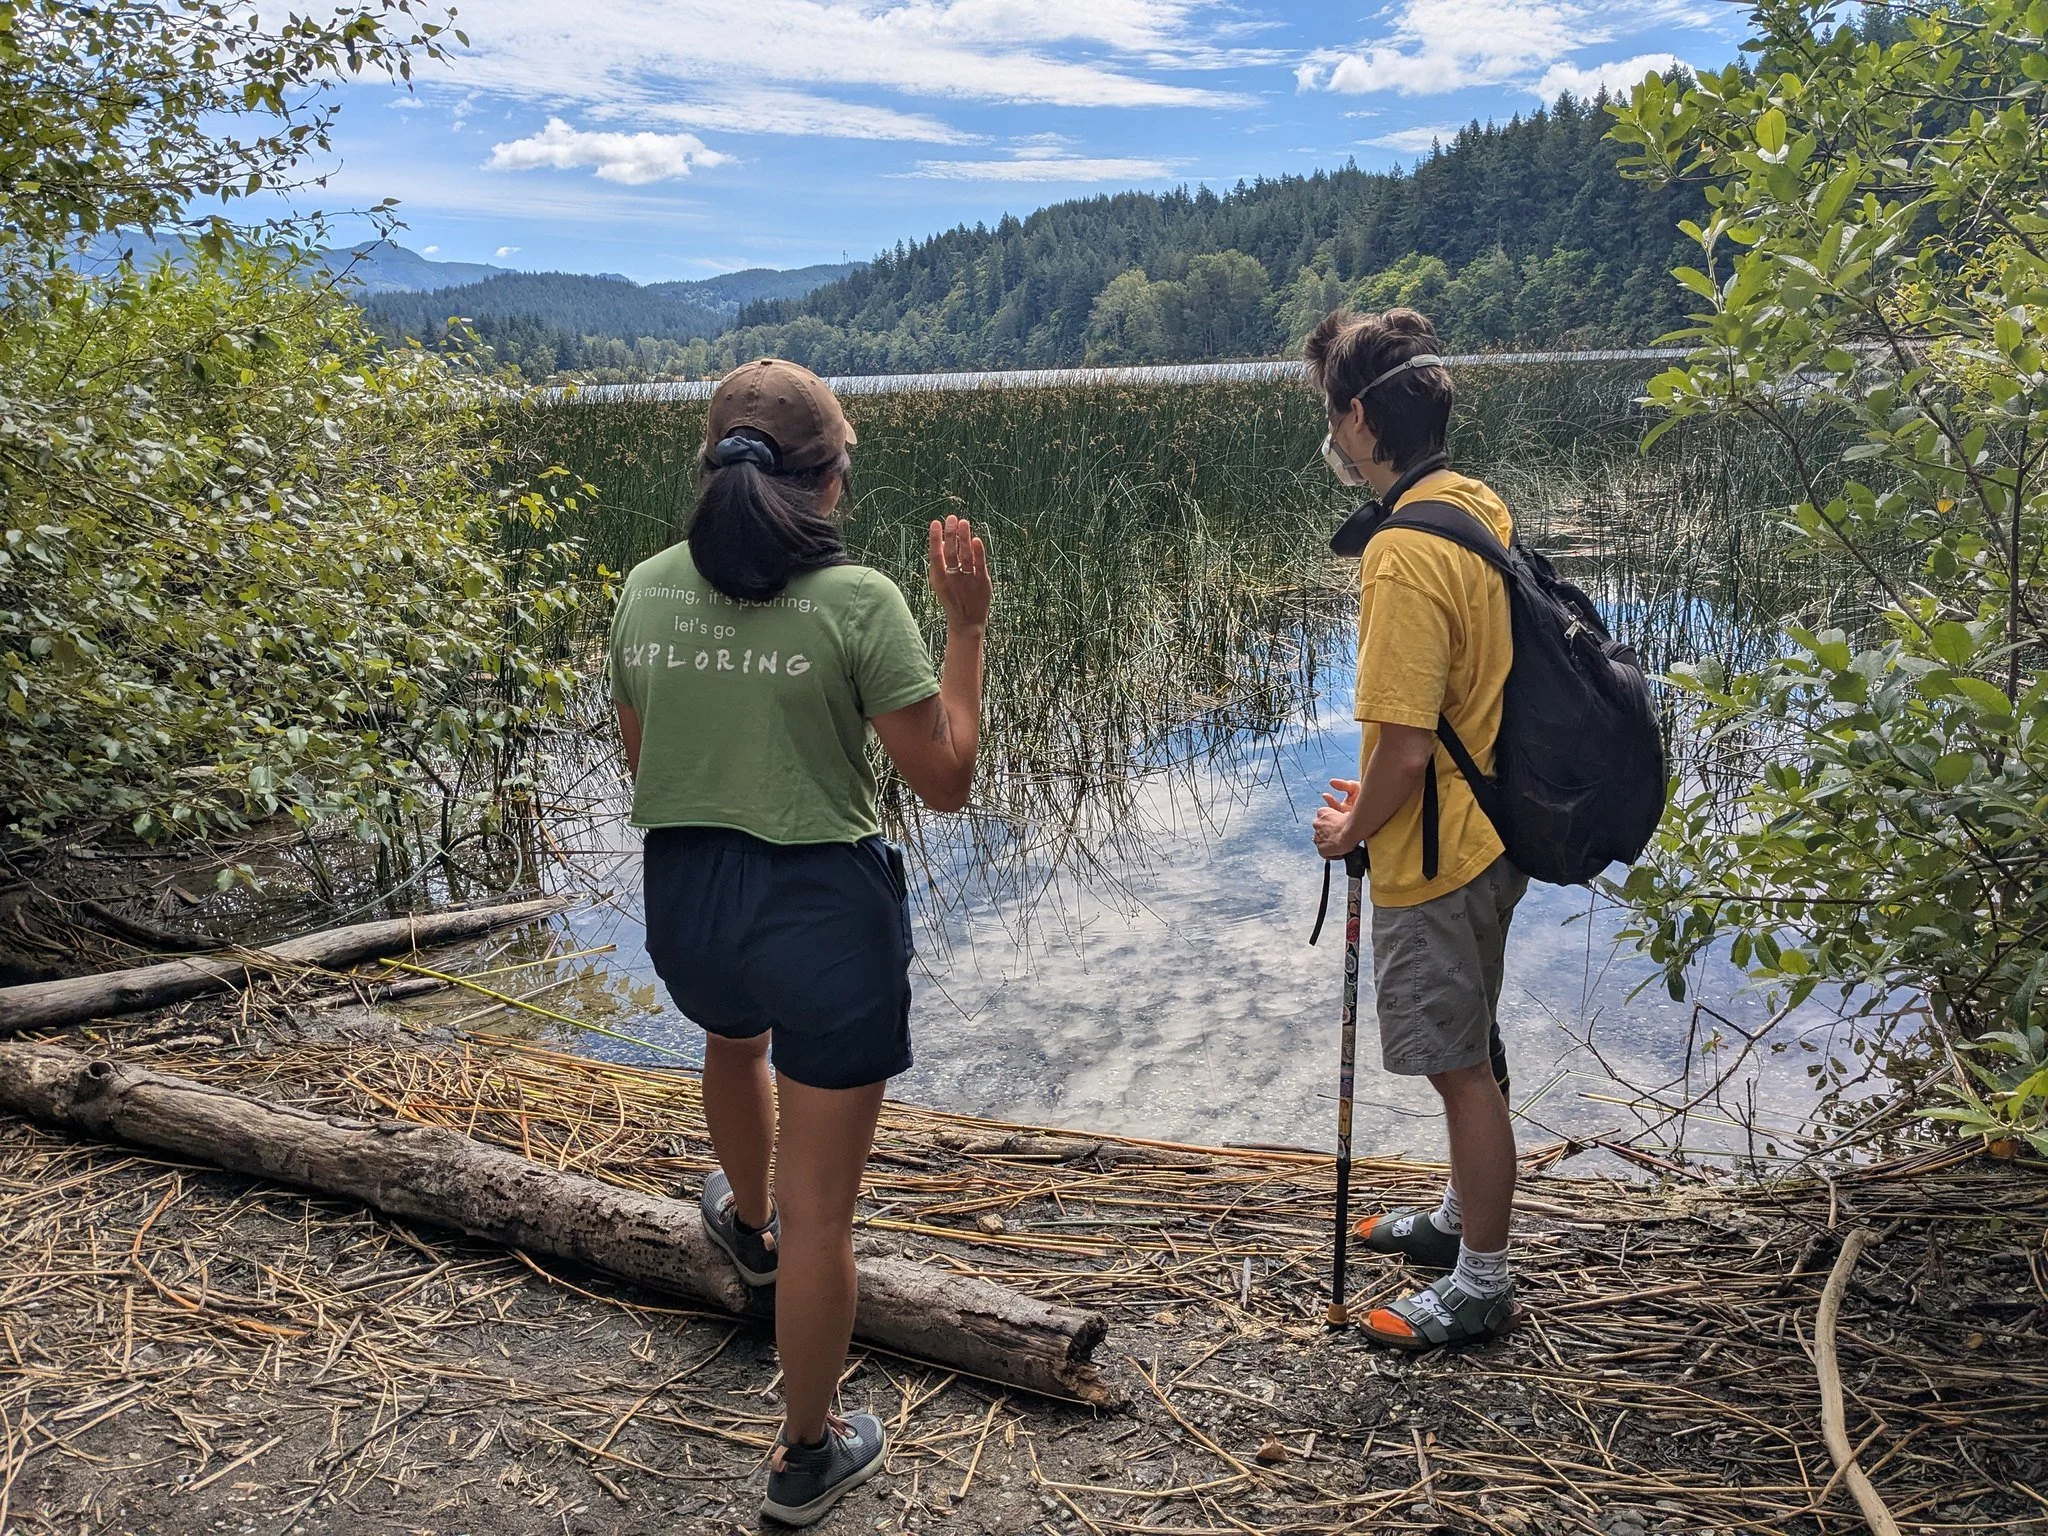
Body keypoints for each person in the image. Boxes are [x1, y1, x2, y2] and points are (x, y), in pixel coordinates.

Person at [609, 358, 992, 1525]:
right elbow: (945, 782)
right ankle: (804, 1452)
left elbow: (640, 760)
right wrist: (965, 631)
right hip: (821, 909)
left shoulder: (645, 587)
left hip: (688, 899)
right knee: (835, 1209)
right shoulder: (860, 600)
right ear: (827, 478)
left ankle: (751, 1231)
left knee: (733, 1038)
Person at [1306, 309, 1526, 1349]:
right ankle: (1452, 1223)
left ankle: (1482, 1279)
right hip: (1492, 835)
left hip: (1434, 852)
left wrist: (1351, 831)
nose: (1330, 436)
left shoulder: (1400, 553)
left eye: (1330, 415)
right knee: (1468, 1037)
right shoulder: (1470, 504)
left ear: (1358, 418)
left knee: (1455, 1064)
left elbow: (1399, 750)